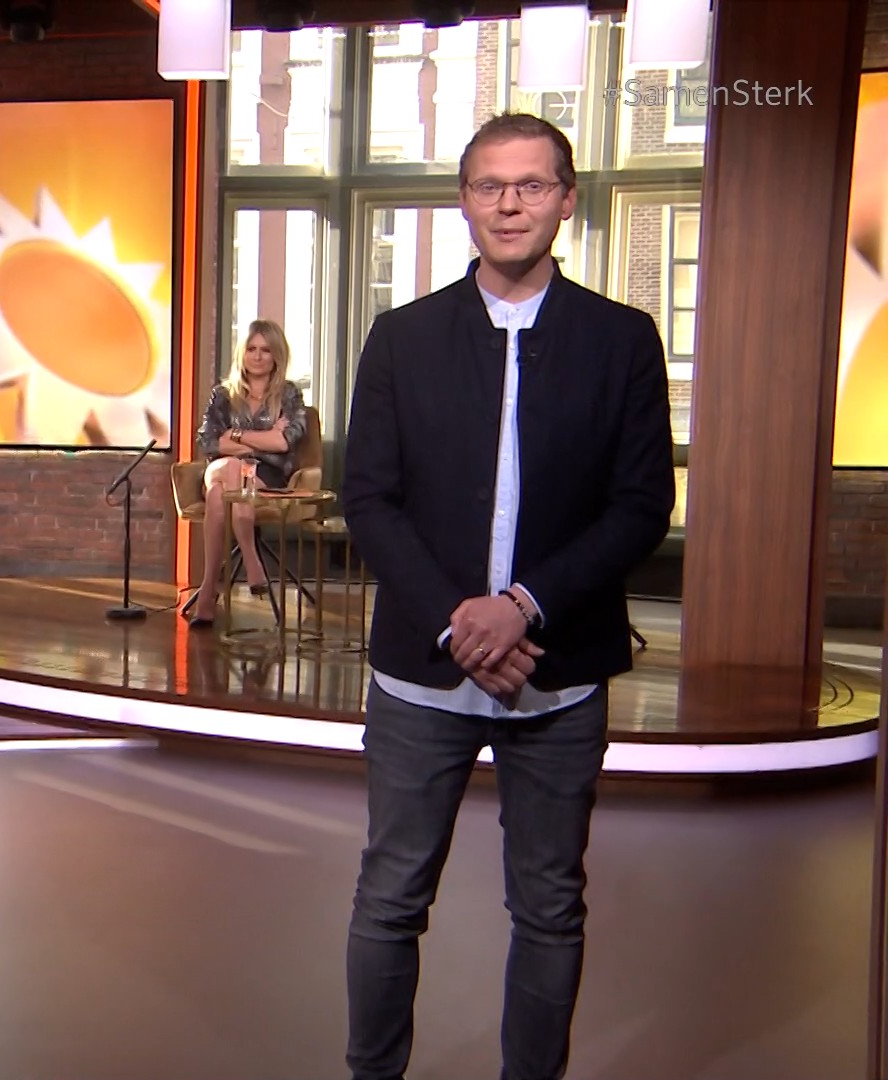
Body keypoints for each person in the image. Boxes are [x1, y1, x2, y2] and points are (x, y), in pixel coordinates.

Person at [339, 113, 675, 1080]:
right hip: (422, 675)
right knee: (390, 898)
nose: (510, 204)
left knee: (550, 907)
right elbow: (370, 497)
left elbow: (640, 506)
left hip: (558, 676)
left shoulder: (622, 340)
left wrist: (521, 605)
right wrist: (463, 623)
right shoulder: (402, 338)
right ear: (464, 202)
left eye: (531, 185)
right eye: (490, 186)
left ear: (567, 200)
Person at [187, 320, 306, 627]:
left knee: (219, 492)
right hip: (220, 467)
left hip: (266, 476)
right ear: (242, 353)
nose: (258, 356)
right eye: (251, 349)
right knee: (228, 468)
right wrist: (264, 438)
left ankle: (208, 588)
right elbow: (209, 442)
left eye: (265, 350)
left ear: (277, 355)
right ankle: (252, 561)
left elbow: (285, 442)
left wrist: (236, 436)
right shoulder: (222, 395)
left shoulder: (288, 395)